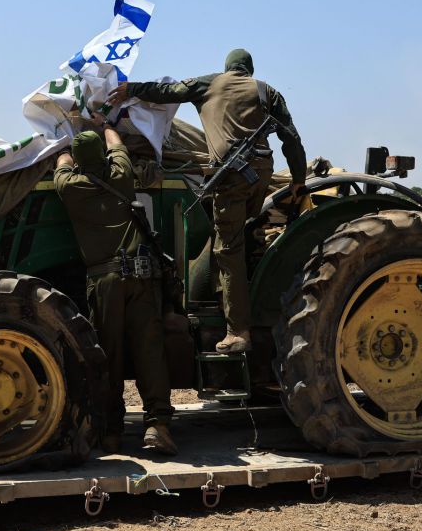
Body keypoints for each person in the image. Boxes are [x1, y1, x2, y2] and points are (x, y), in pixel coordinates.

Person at [107, 48, 307, 354]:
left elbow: (167, 91)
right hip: (261, 173)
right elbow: (291, 138)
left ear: (227, 68)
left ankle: (238, 330)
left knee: (228, 249)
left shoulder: (210, 84)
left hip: (232, 178)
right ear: (249, 71)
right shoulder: (268, 92)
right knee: (234, 233)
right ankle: (225, 295)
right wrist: (298, 180)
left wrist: (131, 90)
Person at [54, 123, 177, 455]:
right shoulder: (121, 174)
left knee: (107, 357)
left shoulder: (69, 186)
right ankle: (158, 426)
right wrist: (108, 124)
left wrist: (63, 142)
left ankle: (109, 433)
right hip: (141, 276)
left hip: (105, 283)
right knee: (150, 352)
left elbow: (62, 161)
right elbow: (117, 145)